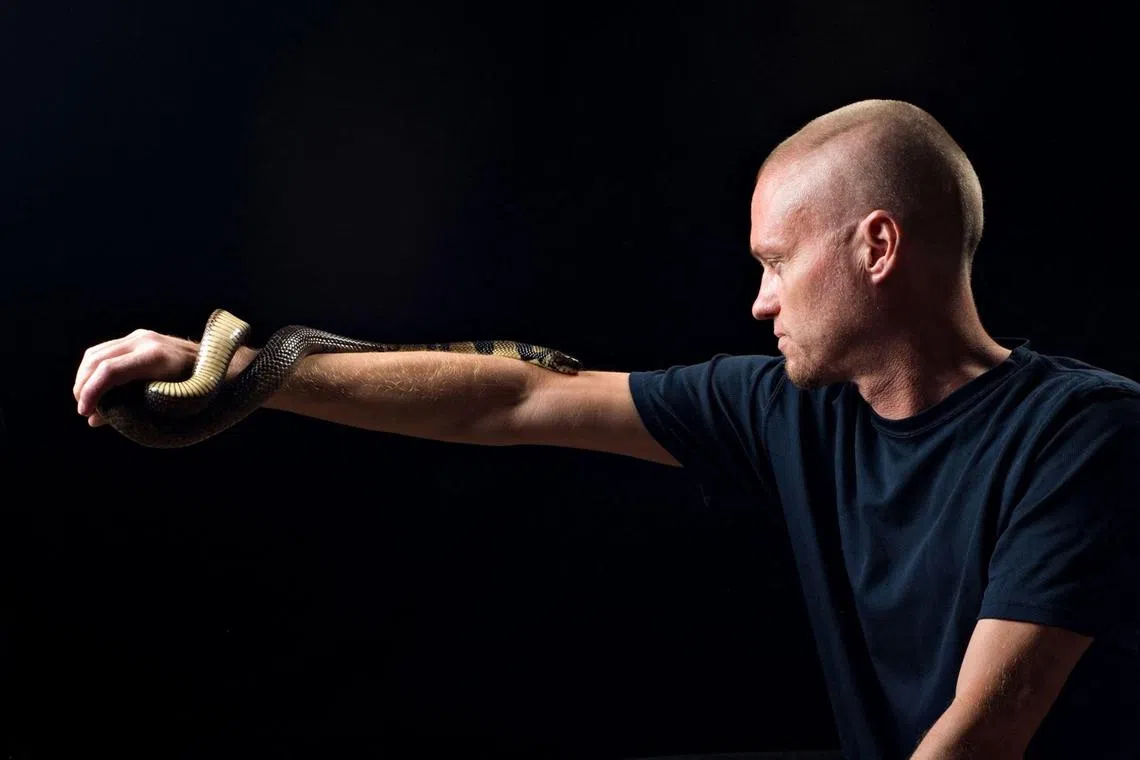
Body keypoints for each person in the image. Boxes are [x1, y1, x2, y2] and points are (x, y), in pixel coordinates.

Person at [73, 99, 1139, 759]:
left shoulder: (1082, 435)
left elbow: (983, 735)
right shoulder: (789, 406)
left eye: (776, 262)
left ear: (877, 245)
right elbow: (512, 396)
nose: (759, 303)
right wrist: (245, 369)